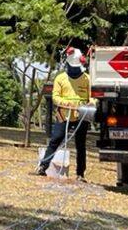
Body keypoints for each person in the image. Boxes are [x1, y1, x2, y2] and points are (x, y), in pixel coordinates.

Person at [36, 47, 92, 179]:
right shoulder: (60, 78)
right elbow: (55, 97)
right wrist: (68, 104)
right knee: (55, 140)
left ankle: (80, 173)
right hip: (63, 115)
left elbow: (92, 96)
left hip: (81, 115)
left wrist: (91, 103)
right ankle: (43, 166)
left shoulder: (87, 79)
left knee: (80, 144)